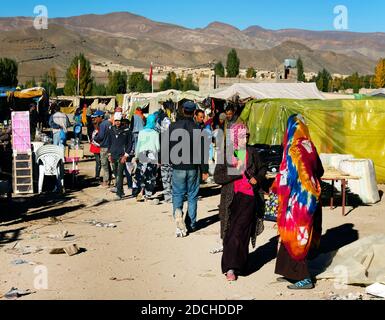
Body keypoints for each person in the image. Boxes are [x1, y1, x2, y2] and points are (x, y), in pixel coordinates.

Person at [273, 114, 324, 290]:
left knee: (295, 237)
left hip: (297, 201)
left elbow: (287, 177)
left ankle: (304, 278)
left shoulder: (293, 149)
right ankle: (289, 272)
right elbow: (320, 169)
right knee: (294, 235)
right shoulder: (309, 145)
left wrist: (278, 192)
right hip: (311, 199)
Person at [214, 123, 267, 281]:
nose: (246, 139)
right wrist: (236, 173)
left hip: (249, 198)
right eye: (243, 136)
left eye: (247, 136)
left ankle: (233, 268)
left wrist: (257, 179)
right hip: (230, 200)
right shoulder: (227, 153)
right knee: (229, 232)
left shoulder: (252, 152)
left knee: (240, 232)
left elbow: (263, 168)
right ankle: (232, 266)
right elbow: (218, 177)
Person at [168, 101, 210, 237]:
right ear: (193, 113)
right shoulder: (198, 129)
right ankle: (191, 224)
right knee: (192, 196)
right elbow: (203, 152)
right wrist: (205, 170)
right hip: (193, 167)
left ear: (182, 110)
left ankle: (178, 214)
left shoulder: (173, 127)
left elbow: (167, 146)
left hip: (178, 166)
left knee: (177, 194)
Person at [132, 114, 160, 202]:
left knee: (142, 173)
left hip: (142, 154)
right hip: (152, 155)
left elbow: (138, 145)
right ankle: (148, 194)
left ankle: (141, 191)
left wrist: (136, 156)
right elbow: (158, 147)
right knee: (150, 175)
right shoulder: (155, 133)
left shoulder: (141, 132)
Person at [107, 113, 133, 200]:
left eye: (119, 121)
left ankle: (118, 194)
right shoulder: (111, 129)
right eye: (116, 121)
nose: (118, 123)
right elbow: (109, 142)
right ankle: (120, 190)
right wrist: (109, 154)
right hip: (113, 155)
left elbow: (130, 144)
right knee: (115, 173)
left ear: (122, 121)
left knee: (119, 174)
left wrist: (125, 155)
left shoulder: (126, 130)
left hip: (121, 155)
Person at [156, 108, 173, 203]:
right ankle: (171, 196)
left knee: (165, 178)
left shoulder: (160, 135)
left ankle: (168, 196)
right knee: (171, 177)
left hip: (164, 159)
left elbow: (159, 148)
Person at [94, 112, 113, 187]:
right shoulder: (109, 123)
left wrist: (95, 137)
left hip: (104, 147)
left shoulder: (102, 124)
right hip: (110, 146)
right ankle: (110, 180)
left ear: (100, 117)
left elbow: (101, 136)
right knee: (109, 164)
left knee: (104, 164)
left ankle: (106, 181)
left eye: (96, 117)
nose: (95, 119)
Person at [90, 111, 104, 181]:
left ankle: (98, 176)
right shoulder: (95, 125)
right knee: (98, 162)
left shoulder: (100, 124)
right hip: (96, 146)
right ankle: (97, 176)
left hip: (99, 146)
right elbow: (93, 137)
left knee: (100, 162)